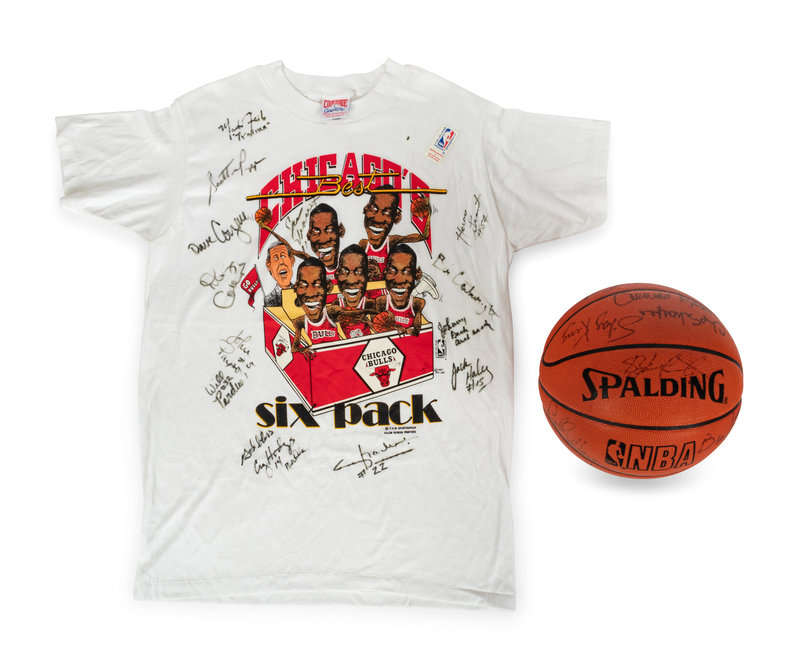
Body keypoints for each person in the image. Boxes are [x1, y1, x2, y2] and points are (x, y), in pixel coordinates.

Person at [256, 203, 344, 286]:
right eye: (316, 231)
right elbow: (292, 250)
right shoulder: (316, 266)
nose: (323, 240)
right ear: (308, 235)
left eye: (329, 230)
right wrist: (269, 230)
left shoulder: (347, 260)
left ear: (341, 231)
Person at [358, 186, 431, 281]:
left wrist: (428, 215)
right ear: (365, 209)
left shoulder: (391, 241)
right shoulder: (363, 244)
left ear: (396, 217)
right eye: (373, 208)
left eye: (387, 212)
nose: (378, 219)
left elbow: (422, 236)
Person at [375, 243, 426, 337]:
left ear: (417, 274)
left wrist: (406, 331)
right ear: (385, 272)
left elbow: (417, 332)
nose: (399, 280)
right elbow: (377, 329)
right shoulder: (381, 302)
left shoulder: (418, 303)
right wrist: (395, 327)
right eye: (392, 271)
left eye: (407, 272)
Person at [334, 245, 376, 338]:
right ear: (336, 274)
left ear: (367, 275)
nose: (351, 280)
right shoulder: (337, 304)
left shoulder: (370, 304)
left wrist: (367, 321)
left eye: (359, 272)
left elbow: (378, 330)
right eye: (344, 271)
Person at [261, 240, 295, 307]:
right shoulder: (269, 300)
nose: (281, 262)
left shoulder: (302, 294)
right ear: (269, 265)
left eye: (283, 256)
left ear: (292, 260)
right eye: (276, 258)